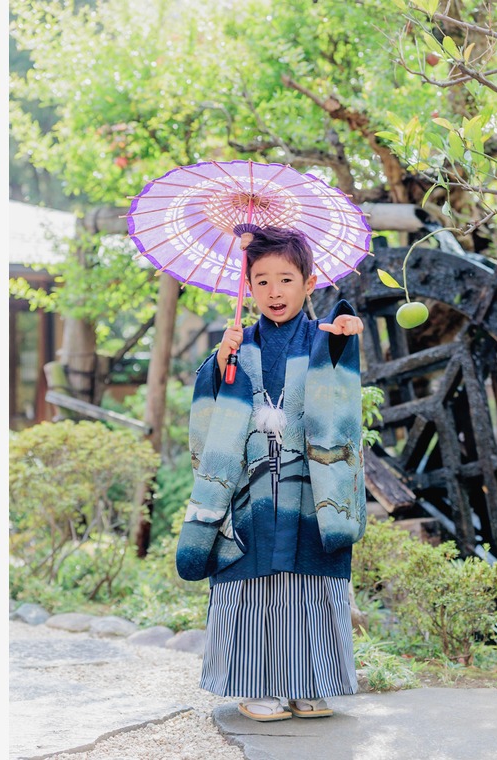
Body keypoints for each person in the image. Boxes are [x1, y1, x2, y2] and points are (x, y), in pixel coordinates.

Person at [176, 224, 367, 722]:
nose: (274, 291)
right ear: (247, 286)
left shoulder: (323, 336)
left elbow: (343, 347)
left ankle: (310, 683)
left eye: (286, 279)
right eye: (260, 281)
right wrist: (221, 361)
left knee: (309, 580)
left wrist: (347, 331)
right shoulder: (239, 343)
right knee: (251, 580)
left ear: (309, 282)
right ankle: (253, 685)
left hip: (309, 485)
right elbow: (209, 407)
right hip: (250, 483)